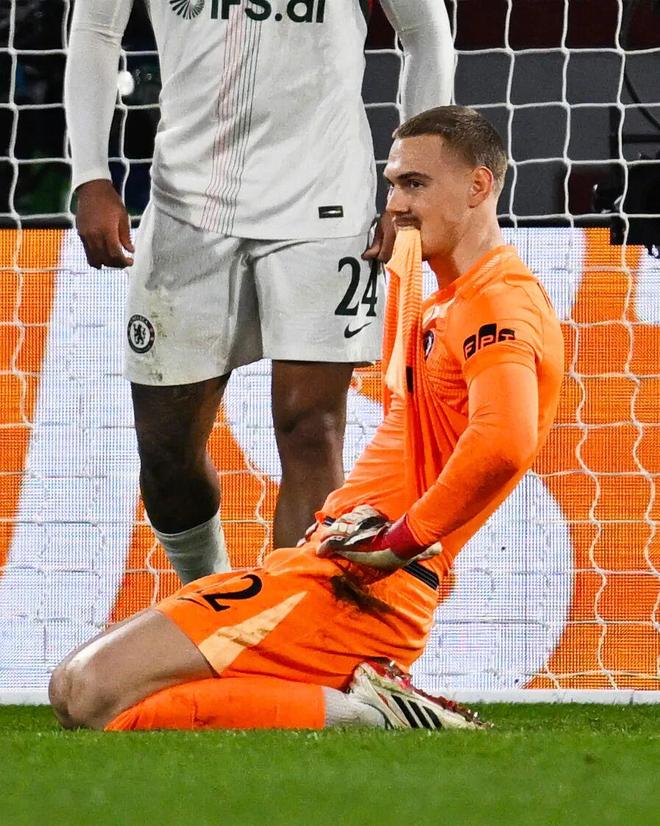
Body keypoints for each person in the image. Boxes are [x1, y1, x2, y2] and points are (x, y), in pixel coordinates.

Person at [49, 106, 565, 732]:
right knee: (73, 688)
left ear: (479, 186)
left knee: (91, 694)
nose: (396, 204)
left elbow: (504, 441)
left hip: (362, 587)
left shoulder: (499, 301)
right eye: (392, 185)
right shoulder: (439, 299)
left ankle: (373, 716)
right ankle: (361, 703)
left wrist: (400, 541)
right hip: (327, 563)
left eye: (415, 184)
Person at [64, 0, 455, 584]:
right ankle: (208, 598)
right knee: (167, 454)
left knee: (312, 428)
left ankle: (289, 618)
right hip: (187, 211)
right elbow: (96, 30)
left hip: (325, 205)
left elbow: (426, 31)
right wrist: (90, 174)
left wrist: (414, 185)